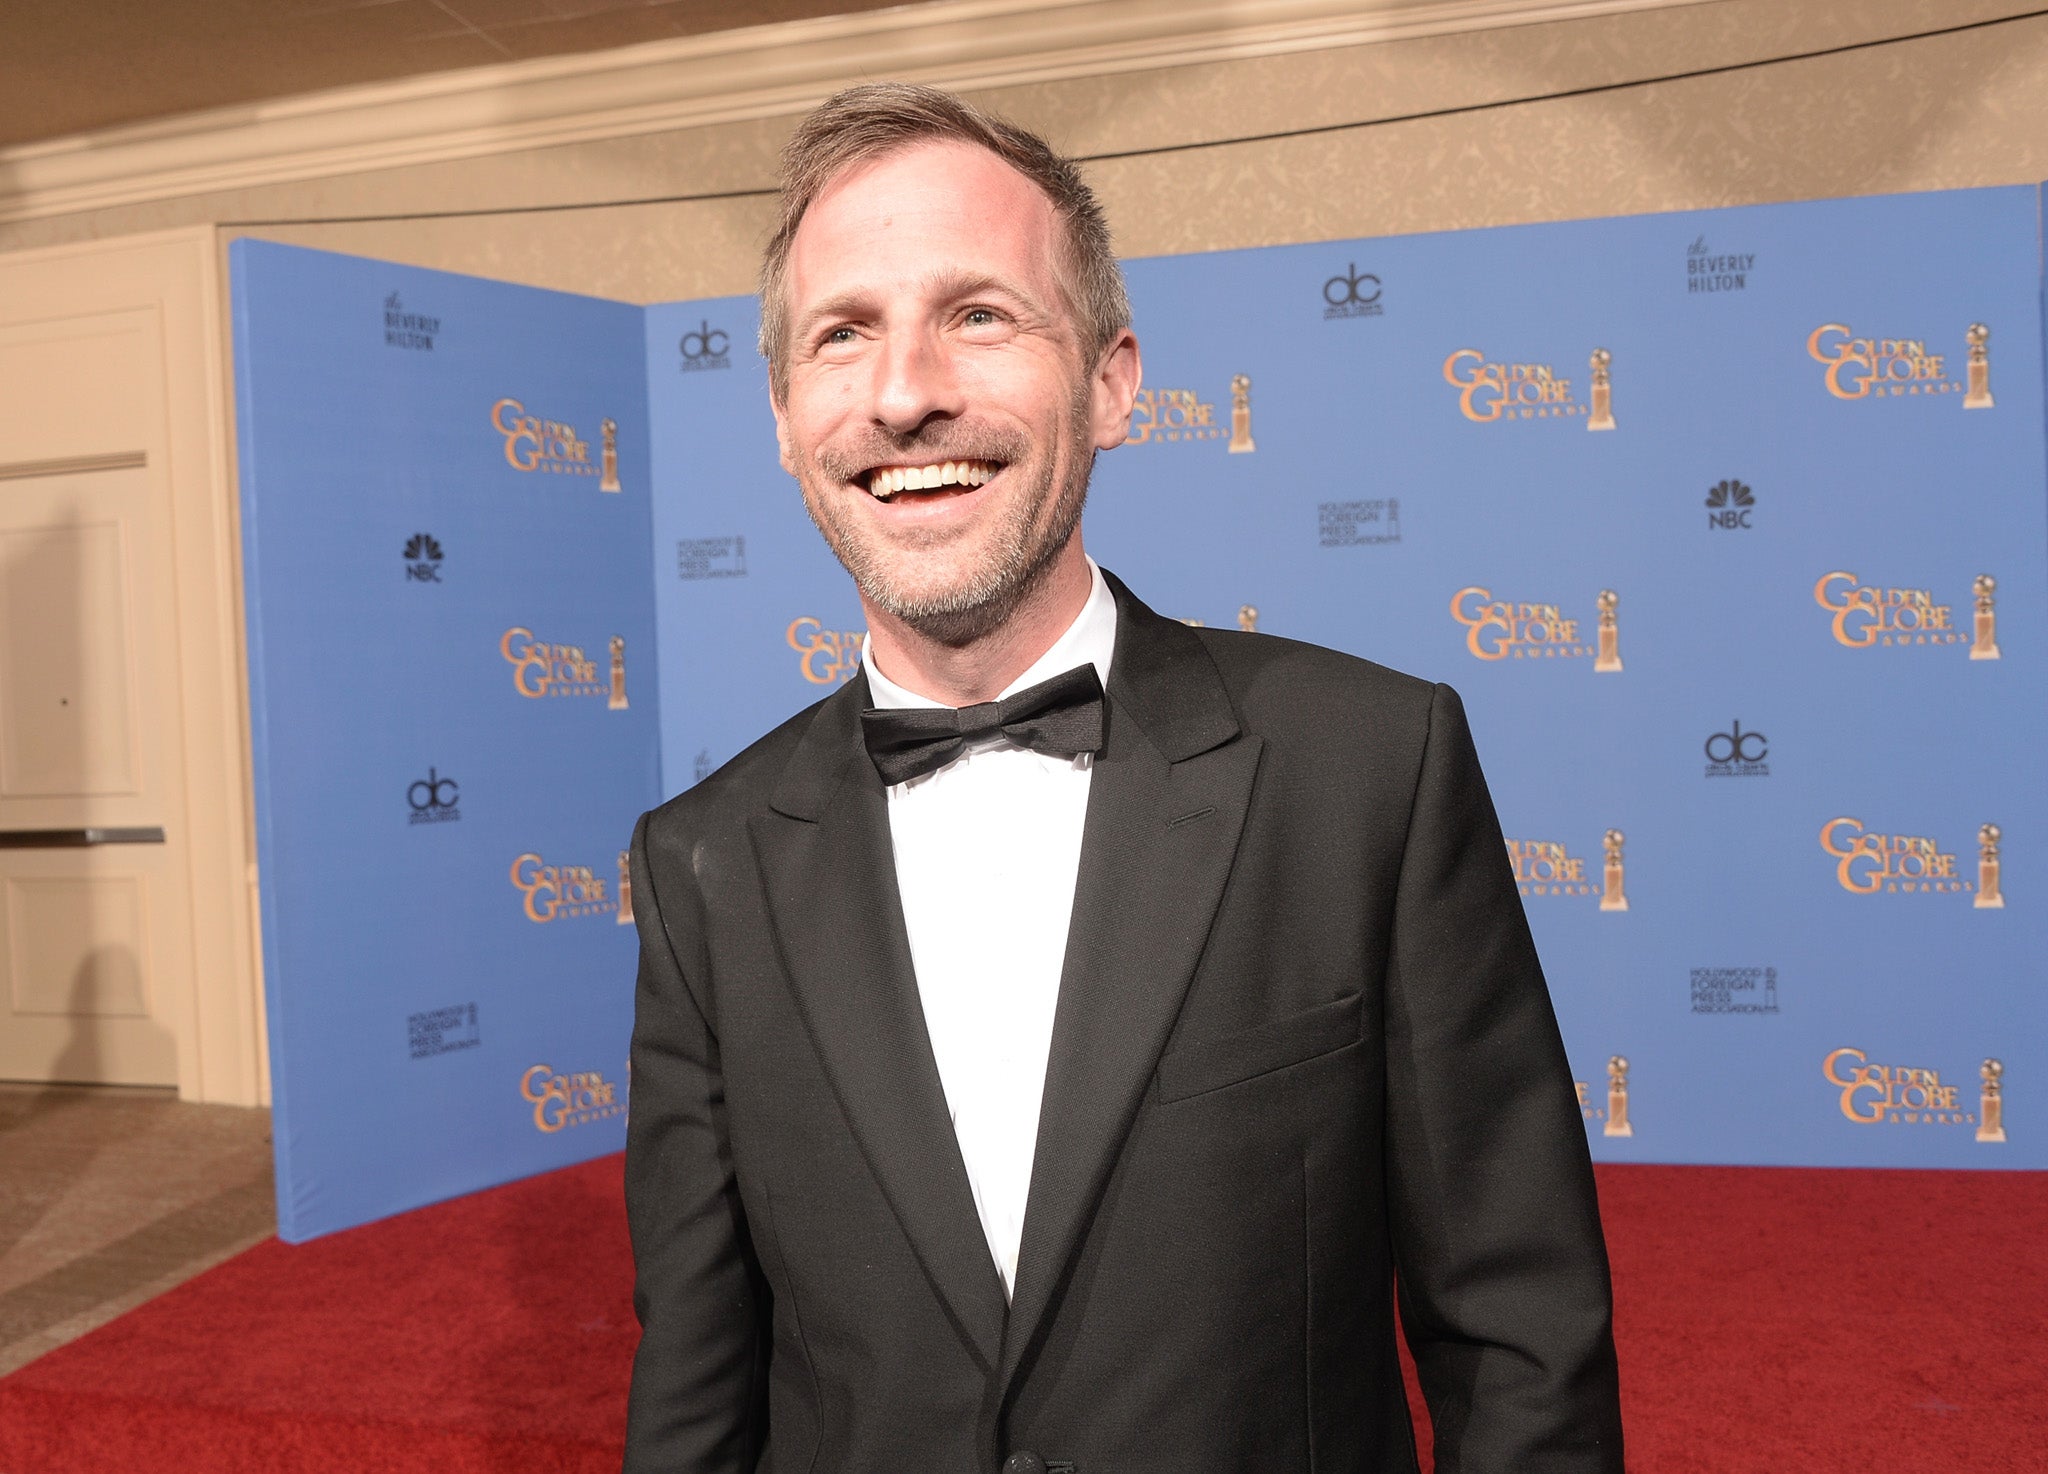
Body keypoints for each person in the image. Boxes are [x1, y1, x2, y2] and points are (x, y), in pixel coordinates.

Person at [623, 82, 1623, 1474]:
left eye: (978, 313)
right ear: (788, 419)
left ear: (1110, 381)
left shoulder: (1368, 771)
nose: (906, 394)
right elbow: (695, 1376)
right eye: (842, 335)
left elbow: (1523, 1337)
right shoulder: (700, 864)